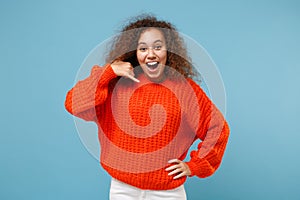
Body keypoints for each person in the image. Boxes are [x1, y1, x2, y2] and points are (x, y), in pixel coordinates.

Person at [65, 14, 230, 200]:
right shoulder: (117, 84)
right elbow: (73, 104)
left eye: (158, 47)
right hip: (122, 190)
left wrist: (195, 166)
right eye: (143, 48)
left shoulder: (184, 89)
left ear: (169, 51)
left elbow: (217, 129)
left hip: (167, 193)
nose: (150, 54)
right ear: (135, 53)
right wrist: (108, 72)